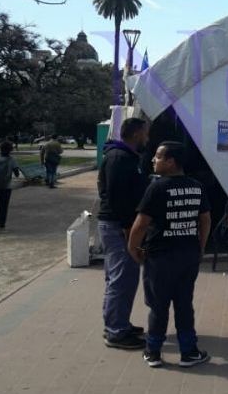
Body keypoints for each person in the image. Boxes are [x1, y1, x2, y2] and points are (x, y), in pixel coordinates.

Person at [127, 141, 211, 369]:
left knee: (158, 306)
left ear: (171, 162)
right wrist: (200, 247)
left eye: (158, 156)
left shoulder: (157, 187)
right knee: (184, 304)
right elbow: (205, 220)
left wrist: (133, 250)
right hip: (188, 256)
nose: (154, 160)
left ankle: (153, 352)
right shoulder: (196, 186)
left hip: (160, 258)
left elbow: (141, 224)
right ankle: (189, 352)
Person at [97, 117, 150, 349]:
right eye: (145, 133)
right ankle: (116, 331)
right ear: (137, 134)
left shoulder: (124, 157)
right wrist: (130, 231)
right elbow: (119, 198)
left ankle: (119, 323)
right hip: (119, 227)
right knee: (122, 278)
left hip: (118, 225)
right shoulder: (120, 158)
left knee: (121, 278)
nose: (147, 137)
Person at [0, 141, 21, 232]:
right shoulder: (11, 160)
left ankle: (1, 226)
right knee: (3, 207)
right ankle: (1, 227)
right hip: (6, 186)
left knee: (0, 205)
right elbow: (17, 174)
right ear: (10, 150)